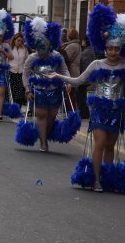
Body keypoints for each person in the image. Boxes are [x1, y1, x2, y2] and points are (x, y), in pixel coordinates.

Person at [48, 3, 125, 193]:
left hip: (116, 112)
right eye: (110, 48)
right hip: (99, 111)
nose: (113, 52)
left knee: (110, 146)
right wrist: (59, 76)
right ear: (105, 48)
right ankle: (95, 179)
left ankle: (107, 177)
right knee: (100, 143)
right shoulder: (96, 64)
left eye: (117, 49)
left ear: (121, 50)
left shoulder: (124, 67)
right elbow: (79, 80)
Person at [17, 18, 77, 152]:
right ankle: (43, 142)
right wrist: (27, 89)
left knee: (51, 117)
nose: (41, 50)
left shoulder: (57, 56)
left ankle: (45, 134)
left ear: (50, 44)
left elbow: (64, 70)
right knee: (42, 115)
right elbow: (25, 74)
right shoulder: (32, 58)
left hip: (55, 90)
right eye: (38, 46)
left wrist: (68, 82)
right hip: (39, 91)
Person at [60, 28, 81, 110]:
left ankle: (71, 112)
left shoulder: (71, 46)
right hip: (75, 70)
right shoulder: (76, 45)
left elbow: (65, 58)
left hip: (71, 71)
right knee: (71, 93)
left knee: (70, 93)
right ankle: (72, 111)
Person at [77, 36, 95, 119]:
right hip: (87, 77)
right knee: (82, 96)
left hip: (84, 78)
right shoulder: (91, 50)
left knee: (81, 96)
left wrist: (82, 78)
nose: (82, 42)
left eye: (83, 40)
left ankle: (83, 114)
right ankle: (85, 113)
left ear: (85, 41)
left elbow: (85, 66)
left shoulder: (86, 52)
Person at [9, 32, 28, 107]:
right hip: (11, 72)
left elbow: (27, 60)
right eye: (18, 40)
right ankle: (11, 108)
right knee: (12, 92)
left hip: (21, 73)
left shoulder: (24, 49)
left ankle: (18, 108)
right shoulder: (10, 48)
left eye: (21, 41)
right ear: (14, 40)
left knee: (20, 93)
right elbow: (7, 60)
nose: (19, 42)